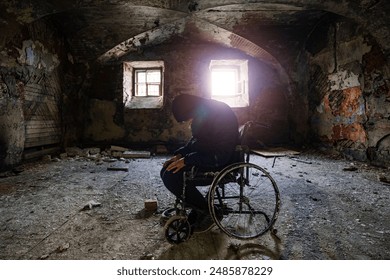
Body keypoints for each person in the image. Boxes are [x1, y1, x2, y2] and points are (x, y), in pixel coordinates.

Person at [160, 94, 240, 231]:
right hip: (212, 156)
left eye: (188, 118)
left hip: (221, 163)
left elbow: (220, 155)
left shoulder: (217, 114)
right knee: (167, 170)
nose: (190, 121)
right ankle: (198, 206)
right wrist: (180, 154)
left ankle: (207, 211)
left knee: (171, 176)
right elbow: (198, 142)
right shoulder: (207, 110)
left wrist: (187, 160)